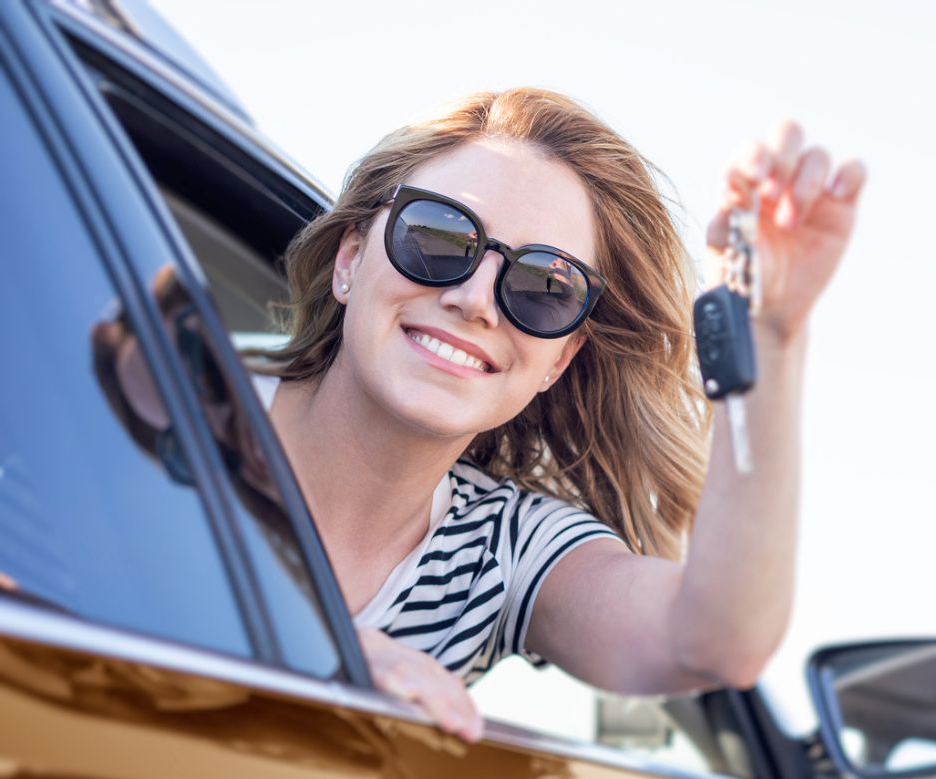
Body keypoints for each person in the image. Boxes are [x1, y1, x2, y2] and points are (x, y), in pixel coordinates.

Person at [251, 89, 863, 745]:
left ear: (559, 360)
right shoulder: (162, 397)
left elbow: (712, 641)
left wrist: (766, 339)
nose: (474, 300)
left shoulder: (507, 550)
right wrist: (310, 647)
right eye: (437, 235)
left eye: (545, 286)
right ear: (350, 260)